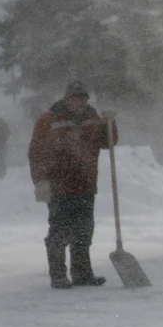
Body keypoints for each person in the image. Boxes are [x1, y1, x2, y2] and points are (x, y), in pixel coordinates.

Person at [28, 81, 118, 289]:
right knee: (59, 231)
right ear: (67, 99)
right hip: (59, 186)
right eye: (75, 99)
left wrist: (109, 123)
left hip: (85, 185)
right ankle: (58, 275)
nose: (79, 103)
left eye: (83, 99)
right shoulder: (49, 120)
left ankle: (82, 274)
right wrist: (40, 181)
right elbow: (36, 153)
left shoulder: (92, 118)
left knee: (84, 231)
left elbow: (108, 142)